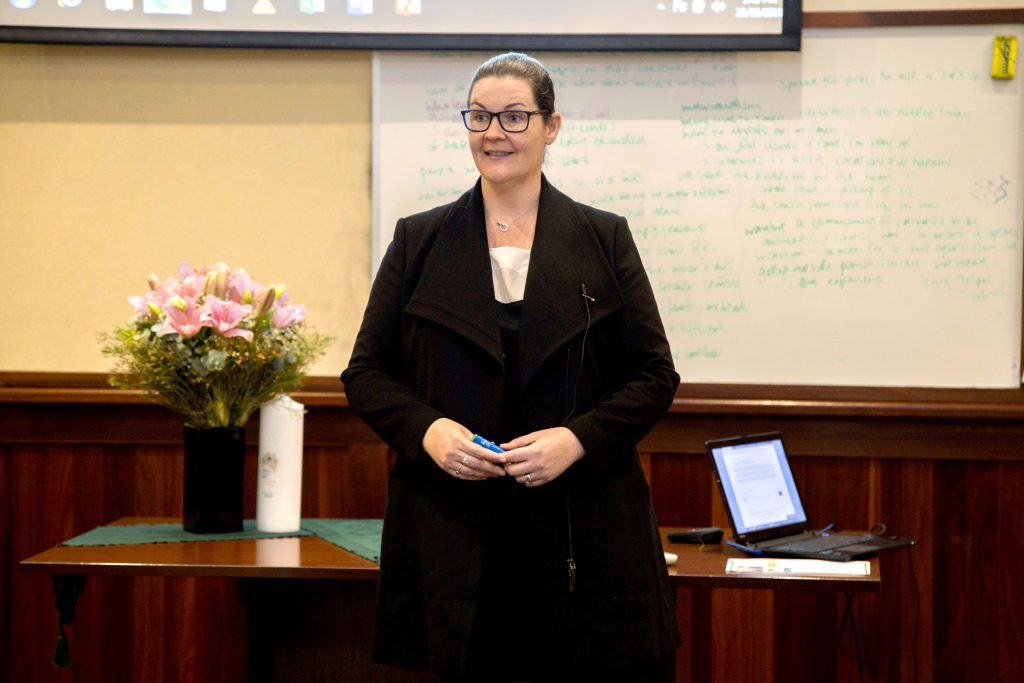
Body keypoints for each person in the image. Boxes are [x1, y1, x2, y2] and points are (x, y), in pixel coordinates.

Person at [341, 51, 680, 682]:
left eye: (515, 117)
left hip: (582, 533)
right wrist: (427, 431)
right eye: (480, 116)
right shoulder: (419, 240)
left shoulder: (604, 238)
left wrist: (577, 439)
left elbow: (655, 376)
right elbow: (366, 373)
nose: (494, 132)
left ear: (552, 128)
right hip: (456, 532)